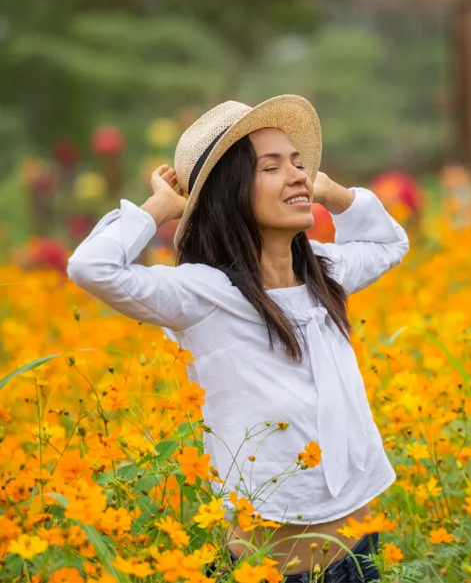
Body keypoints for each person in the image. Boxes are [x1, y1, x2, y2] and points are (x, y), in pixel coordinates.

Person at [67, 95, 410, 582]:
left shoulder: (323, 273)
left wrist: (333, 193)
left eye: (300, 164)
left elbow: (390, 243)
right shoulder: (203, 293)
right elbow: (91, 267)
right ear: (228, 193)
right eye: (272, 167)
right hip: (276, 573)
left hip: (363, 553)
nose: (299, 176)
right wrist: (156, 209)